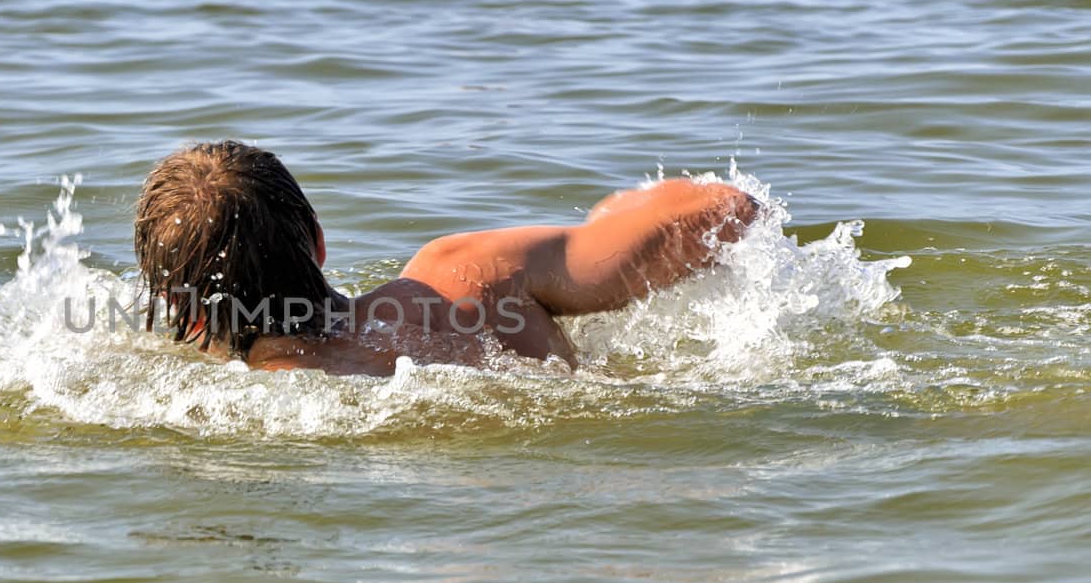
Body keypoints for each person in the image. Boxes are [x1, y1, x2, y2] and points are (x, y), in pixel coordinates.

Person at [134, 140, 758, 377]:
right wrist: (616, 212)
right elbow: (726, 209)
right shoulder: (465, 277)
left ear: (171, 302)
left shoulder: (186, 394)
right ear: (318, 240)